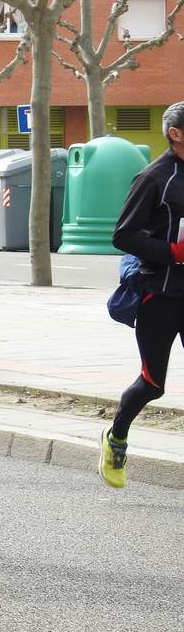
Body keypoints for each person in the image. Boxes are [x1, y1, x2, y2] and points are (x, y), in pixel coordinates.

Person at [99, 101, 184, 489]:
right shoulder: (154, 177)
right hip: (159, 296)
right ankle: (116, 438)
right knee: (153, 382)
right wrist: (172, 253)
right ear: (175, 133)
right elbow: (123, 235)